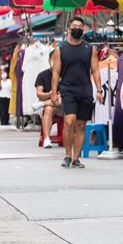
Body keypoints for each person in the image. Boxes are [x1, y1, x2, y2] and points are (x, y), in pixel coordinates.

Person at [51, 17, 103, 168]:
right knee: (69, 121)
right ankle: (67, 154)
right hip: (68, 89)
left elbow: (95, 70)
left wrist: (99, 90)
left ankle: (76, 158)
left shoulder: (90, 49)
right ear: (68, 29)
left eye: (80, 26)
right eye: (75, 26)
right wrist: (54, 92)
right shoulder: (60, 49)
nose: (78, 28)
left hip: (85, 90)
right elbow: (55, 72)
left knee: (81, 125)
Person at [33, 51, 64, 148]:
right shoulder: (42, 75)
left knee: (60, 98)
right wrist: (51, 94)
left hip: (63, 106)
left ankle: (44, 104)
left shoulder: (65, 74)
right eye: (53, 59)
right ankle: (47, 138)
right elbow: (39, 94)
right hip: (53, 106)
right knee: (48, 109)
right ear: (49, 61)